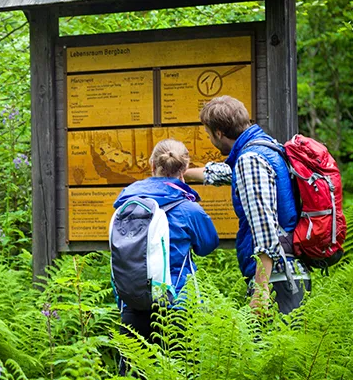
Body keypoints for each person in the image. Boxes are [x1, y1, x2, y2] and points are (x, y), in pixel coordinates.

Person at [185, 95, 310, 314]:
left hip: (277, 279)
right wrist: (184, 174)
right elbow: (231, 174)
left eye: (208, 134)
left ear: (219, 133)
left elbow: (265, 230)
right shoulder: (265, 147)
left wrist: (261, 292)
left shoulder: (249, 160)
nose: (209, 139)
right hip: (288, 271)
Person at [113, 139, 219, 342]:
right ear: (185, 168)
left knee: (134, 372)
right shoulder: (189, 210)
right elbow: (208, 245)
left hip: (132, 304)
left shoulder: (127, 205)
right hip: (177, 304)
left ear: (152, 165)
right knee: (180, 371)